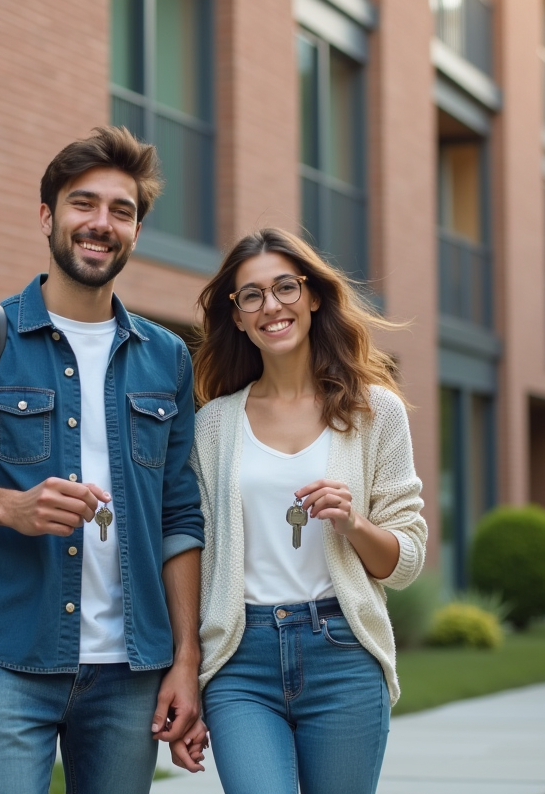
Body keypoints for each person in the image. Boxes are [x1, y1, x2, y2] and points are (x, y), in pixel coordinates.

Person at [0, 126, 204, 794]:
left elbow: (180, 517)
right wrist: (6, 505)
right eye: (84, 204)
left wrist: (185, 660)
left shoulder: (168, 357)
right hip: (8, 657)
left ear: (136, 231)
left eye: (122, 210)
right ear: (48, 216)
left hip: (132, 670)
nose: (101, 223)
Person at [171, 227, 428, 792]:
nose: (272, 306)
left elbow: (405, 561)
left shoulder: (374, 412)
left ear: (313, 296)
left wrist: (353, 522)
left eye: (285, 287)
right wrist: (187, 669)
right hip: (242, 659)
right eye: (252, 296)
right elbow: (195, 550)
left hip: (341, 652)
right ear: (237, 317)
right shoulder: (212, 426)